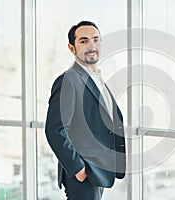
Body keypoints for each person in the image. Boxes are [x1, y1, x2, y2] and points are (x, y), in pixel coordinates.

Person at [45, 21, 126, 200]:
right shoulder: (68, 81)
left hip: (99, 170)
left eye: (96, 40)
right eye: (83, 41)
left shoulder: (96, 78)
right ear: (72, 48)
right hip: (84, 173)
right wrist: (79, 169)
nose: (92, 46)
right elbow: (55, 129)